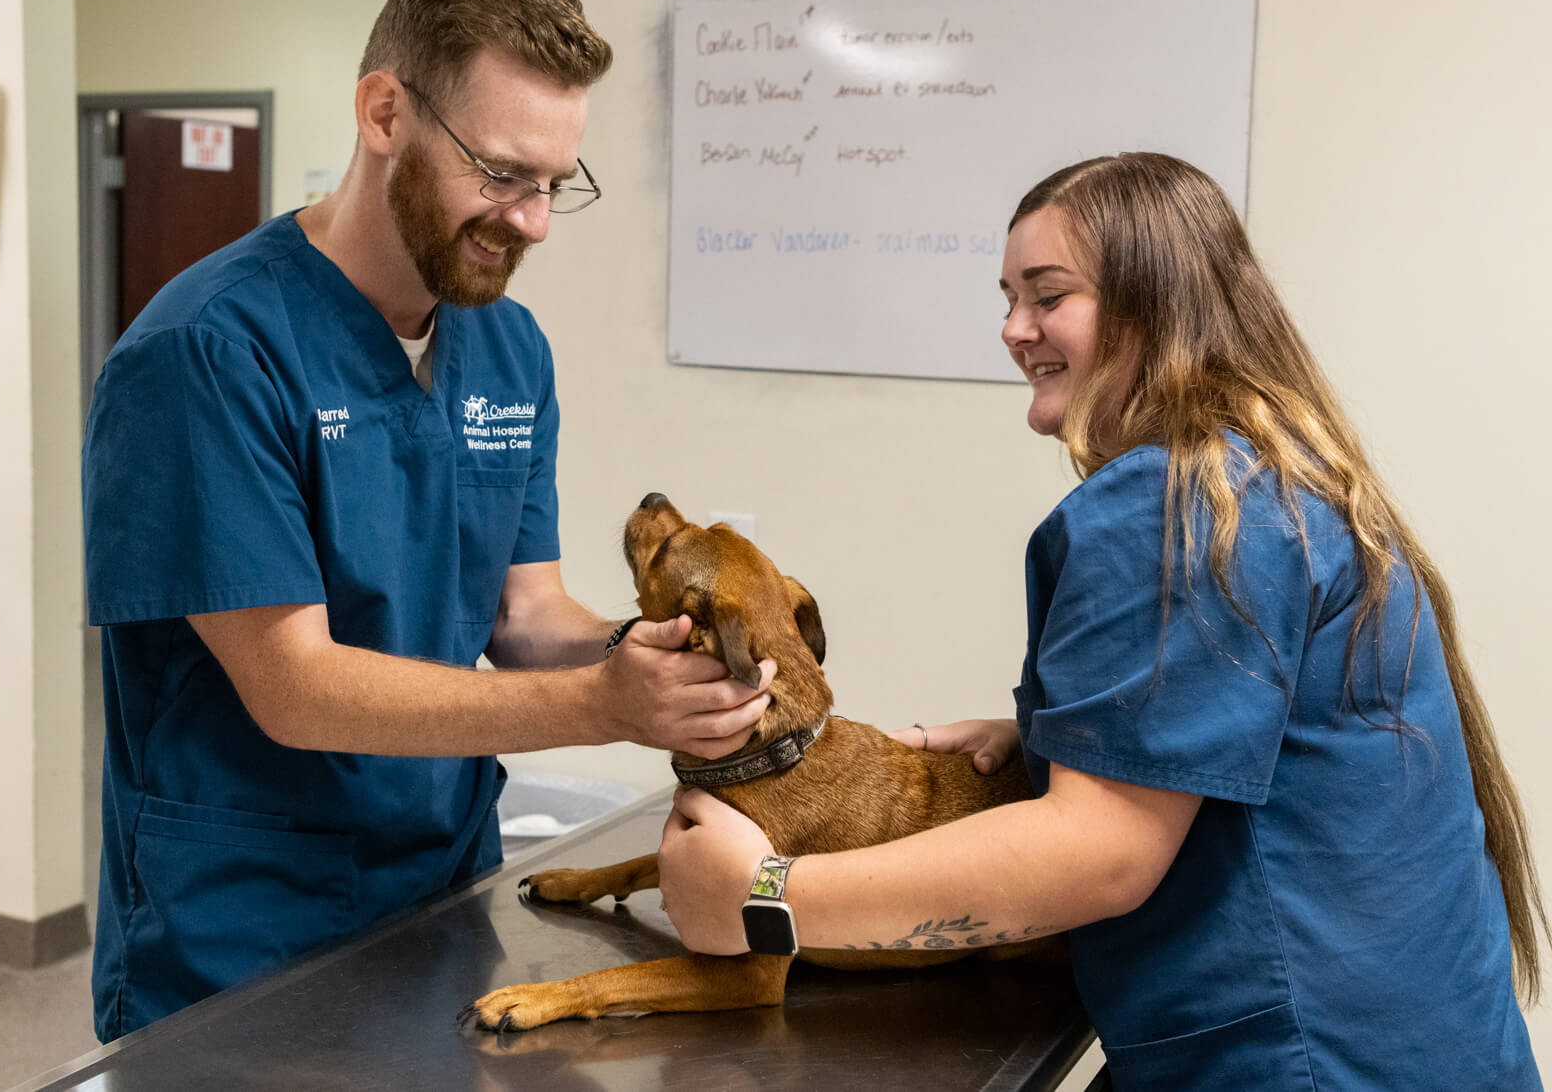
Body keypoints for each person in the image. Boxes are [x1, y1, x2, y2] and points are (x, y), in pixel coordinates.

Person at [657, 153, 1546, 1090]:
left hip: (1300, 1063)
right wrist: (1068, 739)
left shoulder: (1169, 506)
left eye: (1048, 296)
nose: (1012, 329)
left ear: (1151, 306)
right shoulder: (1277, 476)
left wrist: (760, 901)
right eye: (1006, 297)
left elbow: (1097, 857)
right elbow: (1278, 736)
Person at [81, 0, 771, 1042]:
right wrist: (601, 708)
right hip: (241, 926)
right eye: (501, 175)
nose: (533, 221)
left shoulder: (508, 348)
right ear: (383, 113)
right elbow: (293, 687)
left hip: (443, 887)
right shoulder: (205, 353)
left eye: (555, 185)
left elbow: (523, 616)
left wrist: (658, 657)